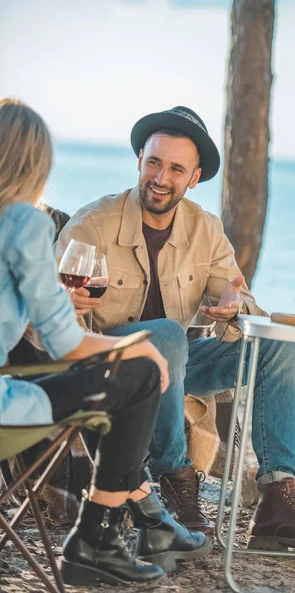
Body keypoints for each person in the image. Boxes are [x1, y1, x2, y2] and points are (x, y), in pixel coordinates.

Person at [55, 105, 295, 555]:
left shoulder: (206, 230)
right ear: (139, 159)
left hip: (175, 366)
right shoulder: (92, 225)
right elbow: (49, 318)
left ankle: (278, 500)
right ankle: (176, 481)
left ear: (193, 178)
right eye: (154, 162)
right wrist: (66, 304)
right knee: (171, 335)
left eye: (176, 168)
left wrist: (234, 309)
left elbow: (243, 301)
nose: (161, 177)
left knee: (275, 344)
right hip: (108, 363)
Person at [0, 99, 211, 587]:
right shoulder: (23, 222)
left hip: (17, 381)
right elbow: (64, 341)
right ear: (33, 164)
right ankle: (100, 537)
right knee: (135, 374)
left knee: (113, 375)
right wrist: (133, 350)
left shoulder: (205, 228)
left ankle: (147, 518)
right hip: (8, 408)